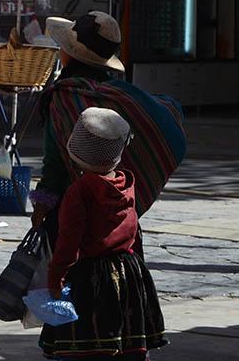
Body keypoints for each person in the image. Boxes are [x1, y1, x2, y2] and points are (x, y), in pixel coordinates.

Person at [30, 11, 187, 259]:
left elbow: (54, 167)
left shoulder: (64, 98)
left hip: (76, 213)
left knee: (68, 286)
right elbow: (170, 111)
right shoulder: (124, 97)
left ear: (69, 54)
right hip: (121, 220)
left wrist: (41, 206)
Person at [41, 107, 167, 360]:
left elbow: (69, 242)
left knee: (88, 346)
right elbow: (134, 232)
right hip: (128, 274)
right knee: (125, 347)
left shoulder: (79, 191)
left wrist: (55, 278)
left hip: (91, 279)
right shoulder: (126, 184)